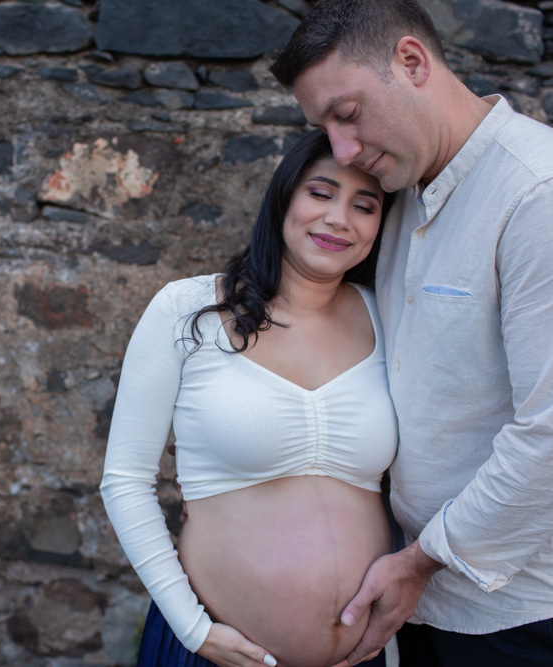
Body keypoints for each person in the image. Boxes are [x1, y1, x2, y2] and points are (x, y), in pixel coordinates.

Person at [268, 1, 553, 665]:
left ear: (412, 62)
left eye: (348, 114)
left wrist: (420, 560)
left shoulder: (550, 192)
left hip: (523, 610)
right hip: (416, 590)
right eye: (325, 127)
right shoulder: (405, 192)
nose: (343, 150)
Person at [101, 129, 399, 667]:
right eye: (321, 193)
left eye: (365, 205)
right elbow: (125, 480)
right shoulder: (187, 309)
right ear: (284, 197)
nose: (339, 219)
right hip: (216, 650)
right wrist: (192, 628)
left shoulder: (390, 316)